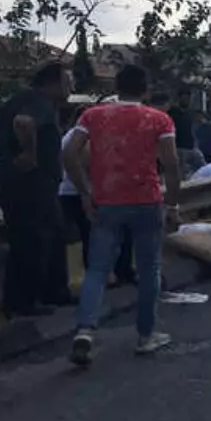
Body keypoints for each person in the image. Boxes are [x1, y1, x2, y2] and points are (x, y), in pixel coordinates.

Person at [63, 65, 183, 366]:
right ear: (145, 89)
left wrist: (85, 192)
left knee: (97, 270)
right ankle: (146, 335)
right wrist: (173, 204)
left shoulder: (92, 116)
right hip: (146, 200)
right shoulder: (159, 119)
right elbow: (171, 165)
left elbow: (69, 154)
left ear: (117, 87)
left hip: (106, 201)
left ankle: (85, 330)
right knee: (149, 268)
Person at [0, 61, 71, 318]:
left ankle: (54, 291)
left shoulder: (33, 101)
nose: (71, 87)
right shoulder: (36, 101)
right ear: (53, 83)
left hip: (39, 186)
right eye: (68, 82)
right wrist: (29, 152)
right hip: (25, 186)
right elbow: (24, 122)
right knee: (30, 241)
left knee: (54, 234)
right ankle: (21, 303)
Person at [59, 107, 136, 288]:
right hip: (79, 193)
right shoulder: (79, 137)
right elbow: (87, 162)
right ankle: (107, 273)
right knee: (97, 233)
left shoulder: (76, 136)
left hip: (82, 191)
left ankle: (116, 271)